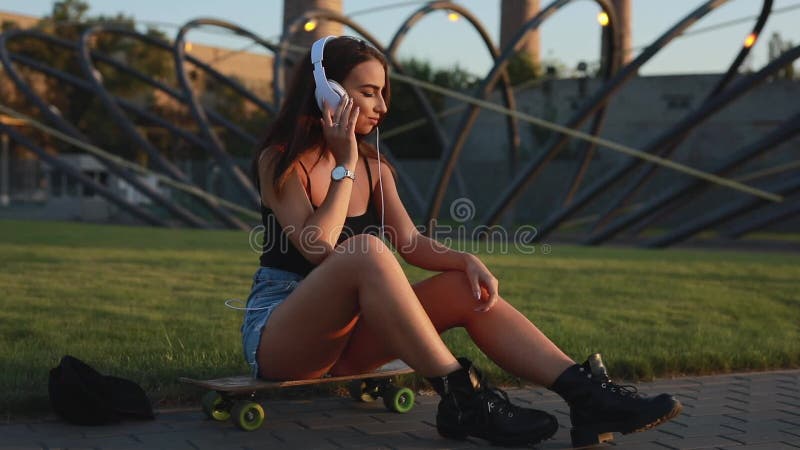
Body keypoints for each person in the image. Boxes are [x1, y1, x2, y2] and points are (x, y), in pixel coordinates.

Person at [241, 35, 681, 448]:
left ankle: (588, 398)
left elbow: (411, 243)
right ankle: (464, 398)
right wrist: (345, 165)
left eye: (382, 93)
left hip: (350, 343)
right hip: (284, 339)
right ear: (328, 94)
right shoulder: (280, 163)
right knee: (366, 251)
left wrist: (463, 259)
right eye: (369, 92)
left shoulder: (376, 169)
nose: (382, 107)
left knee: (462, 288)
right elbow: (317, 246)